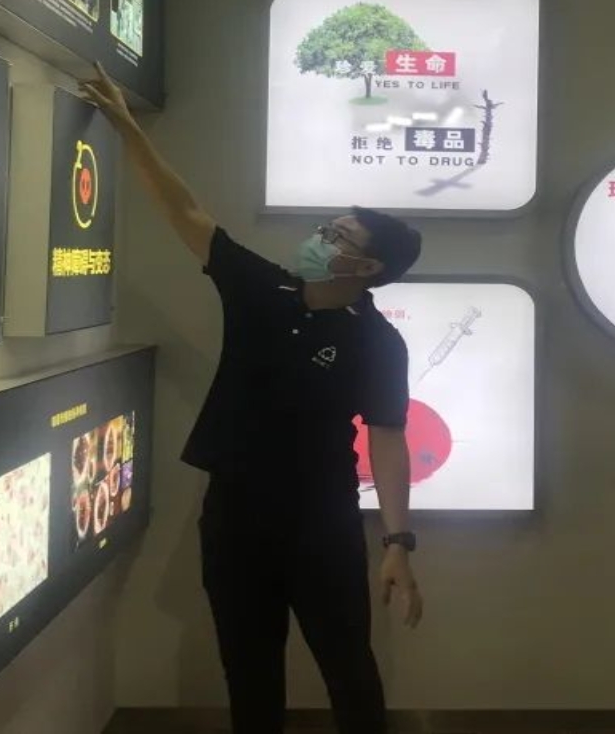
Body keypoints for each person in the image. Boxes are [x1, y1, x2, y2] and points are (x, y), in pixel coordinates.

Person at [80, 64, 423, 734]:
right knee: (248, 669)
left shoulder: (377, 342)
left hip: (321, 519)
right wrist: (125, 125)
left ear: (368, 268)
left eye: (339, 238)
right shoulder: (261, 291)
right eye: (326, 227)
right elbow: (185, 211)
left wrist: (398, 541)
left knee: (348, 666)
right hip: (233, 515)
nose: (320, 239)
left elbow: (387, 437)